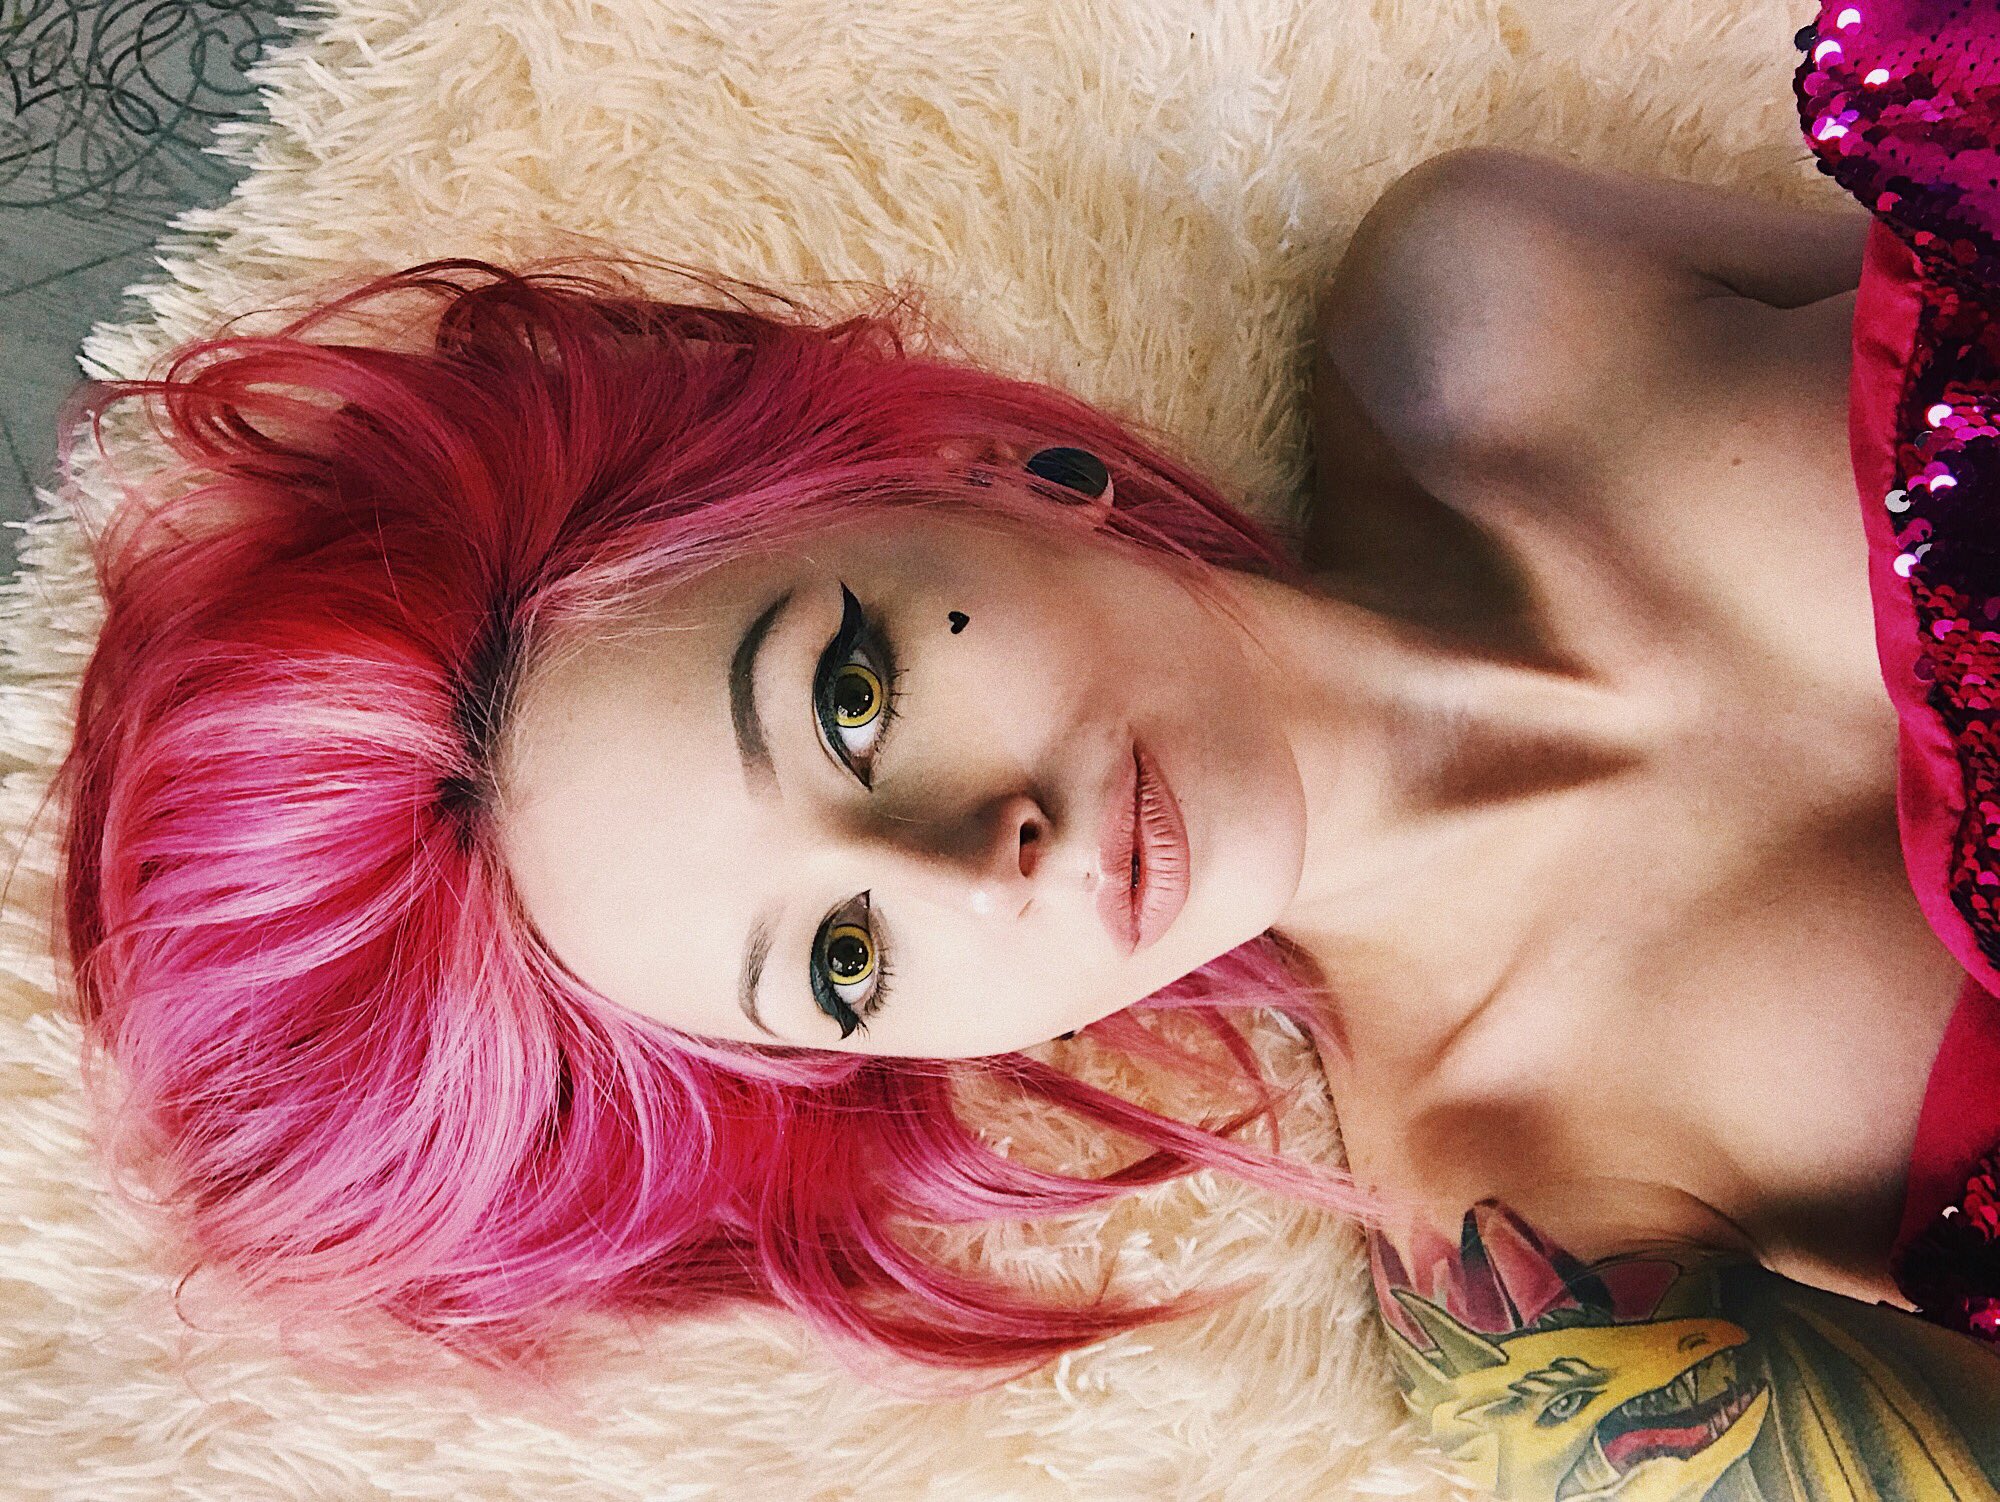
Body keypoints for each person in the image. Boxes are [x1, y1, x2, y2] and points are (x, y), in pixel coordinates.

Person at [35, 0, 2000, 1487]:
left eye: (850, 696)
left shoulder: (1488, 312)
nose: (982, 862)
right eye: (845, 958)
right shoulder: (1547, 1256)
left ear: (976, 465)